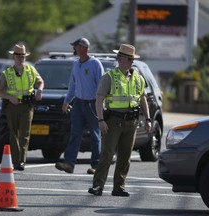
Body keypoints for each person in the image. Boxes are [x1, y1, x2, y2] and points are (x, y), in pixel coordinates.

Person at [88, 44, 152, 196]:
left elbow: (143, 99)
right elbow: (99, 99)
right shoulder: (109, 77)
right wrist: (101, 120)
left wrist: (148, 119)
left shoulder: (138, 78)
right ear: (120, 59)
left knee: (125, 156)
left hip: (132, 122)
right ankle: (98, 186)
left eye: (132, 59)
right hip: (113, 121)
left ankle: (119, 186)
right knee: (107, 154)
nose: (131, 62)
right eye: (129, 59)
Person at [55, 38, 104, 174]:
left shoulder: (95, 64)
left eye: (76, 46)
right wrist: (67, 101)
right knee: (75, 133)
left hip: (92, 104)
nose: (74, 49)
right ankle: (69, 163)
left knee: (95, 135)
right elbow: (72, 84)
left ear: (83, 47)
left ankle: (96, 165)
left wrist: (101, 103)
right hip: (78, 103)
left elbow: (101, 85)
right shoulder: (76, 64)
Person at [0, 43, 44, 171]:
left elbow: (40, 81)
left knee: (25, 134)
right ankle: (16, 160)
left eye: (22, 56)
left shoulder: (31, 70)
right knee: (13, 134)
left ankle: (22, 161)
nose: (20, 58)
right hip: (12, 106)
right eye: (18, 56)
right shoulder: (7, 73)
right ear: (14, 57)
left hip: (27, 106)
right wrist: (9, 97)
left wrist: (39, 90)